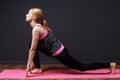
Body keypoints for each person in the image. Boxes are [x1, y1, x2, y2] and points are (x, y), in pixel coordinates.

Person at [25, 8, 116, 77]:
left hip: (61, 54)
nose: (26, 14)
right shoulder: (38, 27)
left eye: (28, 13)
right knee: (31, 43)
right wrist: (33, 62)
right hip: (54, 52)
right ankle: (38, 68)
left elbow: (33, 49)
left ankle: (110, 65)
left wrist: (29, 64)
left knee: (82, 67)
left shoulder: (36, 29)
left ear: (34, 17)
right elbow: (33, 47)